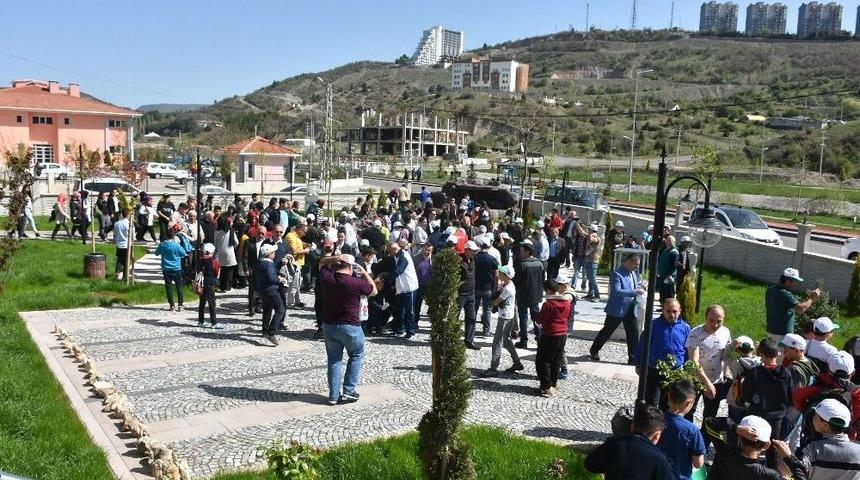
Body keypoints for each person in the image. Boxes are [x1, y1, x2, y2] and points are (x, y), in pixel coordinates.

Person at [319, 254, 377, 406]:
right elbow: (374, 291)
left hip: (329, 324)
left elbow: (321, 263)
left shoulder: (327, 278)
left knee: (334, 360)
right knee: (357, 354)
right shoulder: (355, 282)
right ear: (351, 267)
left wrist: (334, 258)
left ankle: (333, 395)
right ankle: (349, 390)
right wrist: (364, 273)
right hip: (350, 325)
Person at [773, 398, 860, 480]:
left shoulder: (813, 448)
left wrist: (787, 457)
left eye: (815, 415)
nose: (813, 418)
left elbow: (790, 472)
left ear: (825, 425)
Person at [740, 338, 793, 469]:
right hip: (777, 417)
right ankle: (771, 473)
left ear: (761, 354)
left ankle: (751, 470)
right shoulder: (786, 373)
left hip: (757, 415)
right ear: (778, 354)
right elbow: (791, 396)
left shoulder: (755, 373)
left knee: (752, 445)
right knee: (772, 447)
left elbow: (746, 395)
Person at [585, 403, 674, 480]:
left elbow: (590, 464)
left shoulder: (613, 444)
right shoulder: (660, 461)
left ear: (632, 426)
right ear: (657, 435)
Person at [703, 414, 800, 480]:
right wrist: (789, 458)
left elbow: (709, 422)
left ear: (739, 437)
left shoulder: (724, 450)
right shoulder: (768, 474)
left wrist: (735, 428)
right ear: (767, 445)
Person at [635, 298, 691, 407]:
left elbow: (688, 349)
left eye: (674, 311)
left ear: (679, 311)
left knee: (669, 404)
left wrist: (687, 368)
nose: (671, 314)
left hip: (674, 373)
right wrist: (638, 364)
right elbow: (642, 345)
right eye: (668, 311)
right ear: (663, 311)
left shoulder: (685, 328)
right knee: (651, 402)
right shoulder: (653, 325)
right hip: (654, 371)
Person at [590, 253, 645, 364]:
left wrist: (640, 288)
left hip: (630, 308)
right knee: (607, 331)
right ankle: (594, 350)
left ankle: (633, 357)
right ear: (628, 262)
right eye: (635, 264)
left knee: (633, 333)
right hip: (617, 309)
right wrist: (635, 292)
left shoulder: (633, 273)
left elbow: (632, 287)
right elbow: (617, 291)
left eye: (638, 264)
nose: (637, 266)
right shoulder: (616, 274)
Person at [686, 304, 732, 426]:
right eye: (711, 321)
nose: (715, 325)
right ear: (705, 317)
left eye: (719, 321)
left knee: (710, 415)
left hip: (716, 380)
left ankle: (704, 441)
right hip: (696, 380)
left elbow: (726, 354)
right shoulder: (695, 333)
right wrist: (707, 384)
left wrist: (726, 373)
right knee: (688, 411)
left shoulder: (725, 332)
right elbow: (694, 363)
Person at [656, 380, 705, 480]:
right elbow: (698, 464)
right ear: (689, 402)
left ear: (669, 396)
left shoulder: (655, 420)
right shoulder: (692, 430)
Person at [482, 265, 523, 377]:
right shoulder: (506, 284)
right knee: (507, 341)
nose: (498, 273)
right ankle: (517, 362)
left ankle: (493, 368)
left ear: (506, 275)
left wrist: (495, 296)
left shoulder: (508, 289)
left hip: (505, 317)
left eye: (501, 272)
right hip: (508, 316)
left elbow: (496, 302)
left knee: (497, 342)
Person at [533, 278, 571, 398]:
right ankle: (553, 384)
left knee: (543, 361)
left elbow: (540, 321)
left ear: (548, 290)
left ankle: (546, 387)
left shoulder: (549, 304)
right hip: (562, 334)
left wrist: (537, 321)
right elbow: (568, 317)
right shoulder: (567, 302)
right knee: (556, 360)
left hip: (550, 334)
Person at [765, 267, 819, 345]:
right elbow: (801, 309)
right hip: (782, 334)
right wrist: (811, 298)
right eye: (795, 281)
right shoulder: (784, 293)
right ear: (788, 281)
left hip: (771, 329)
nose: (796, 284)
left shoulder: (771, 289)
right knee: (780, 355)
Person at [513, 240, 545, 349]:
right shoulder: (539, 264)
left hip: (523, 295)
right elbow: (542, 279)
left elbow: (517, 281)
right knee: (536, 317)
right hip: (535, 295)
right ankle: (539, 338)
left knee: (523, 318)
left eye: (522, 251)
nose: (520, 253)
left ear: (527, 252)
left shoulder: (522, 265)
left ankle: (524, 340)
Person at [254, 243, 287, 346]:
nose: (275, 253)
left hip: (263, 290)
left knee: (267, 310)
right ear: (269, 254)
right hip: (271, 290)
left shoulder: (260, 262)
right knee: (280, 310)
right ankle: (271, 332)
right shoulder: (268, 264)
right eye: (273, 252)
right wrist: (280, 279)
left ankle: (264, 330)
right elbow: (271, 277)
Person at [387, 241, 419, 339]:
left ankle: (411, 331)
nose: (389, 253)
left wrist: (385, 277)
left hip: (409, 287)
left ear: (394, 249)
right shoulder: (397, 256)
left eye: (390, 251)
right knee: (398, 309)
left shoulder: (403, 256)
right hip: (401, 287)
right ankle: (398, 329)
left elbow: (399, 271)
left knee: (410, 311)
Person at [154, 230, 188, 312]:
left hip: (166, 268)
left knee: (168, 286)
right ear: (173, 236)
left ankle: (172, 305)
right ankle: (180, 305)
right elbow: (184, 253)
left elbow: (156, 253)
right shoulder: (176, 245)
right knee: (179, 286)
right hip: (176, 268)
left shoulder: (162, 245)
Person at [474, 237, 499, 338]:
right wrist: (496, 288)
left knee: (474, 309)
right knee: (487, 310)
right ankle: (486, 331)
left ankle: (471, 329)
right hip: (488, 288)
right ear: (488, 246)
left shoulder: (475, 257)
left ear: (480, 246)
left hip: (476, 287)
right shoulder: (492, 259)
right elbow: (496, 275)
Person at [458, 240, 480, 350]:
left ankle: (469, 340)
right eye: (473, 251)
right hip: (461, 294)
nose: (474, 253)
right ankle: (452, 339)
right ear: (466, 250)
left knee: (471, 317)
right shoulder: (459, 260)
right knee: (455, 317)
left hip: (471, 294)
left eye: (475, 251)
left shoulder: (473, 260)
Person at [242, 226, 268, 316]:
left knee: (262, 288)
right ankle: (251, 308)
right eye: (259, 233)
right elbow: (244, 257)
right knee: (252, 290)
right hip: (252, 268)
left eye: (262, 234)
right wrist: (246, 269)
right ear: (256, 232)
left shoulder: (267, 243)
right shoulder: (248, 242)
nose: (260, 235)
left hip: (263, 269)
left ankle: (259, 306)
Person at [197, 243, 224, 329]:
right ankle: (214, 322)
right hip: (210, 283)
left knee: (202, 303)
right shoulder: (213, 261)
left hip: (201, 283)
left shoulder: (201, 260)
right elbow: (216, 273)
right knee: (212, 303)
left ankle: (200, 321)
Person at [215, 216, 239, 292]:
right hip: (229, 251)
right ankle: (228, 286)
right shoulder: (230, 230)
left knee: (222, 270)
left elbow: (215, 243)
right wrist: (233, 248)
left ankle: (222, 286)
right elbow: (236, 242)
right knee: (229, 271)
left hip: (220, 252)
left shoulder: (216, 232)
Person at [412, 243, 433, 321]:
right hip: (418, 285)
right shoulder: (415, 259)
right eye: (425, 249)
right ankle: (415, 322)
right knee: (417, 304)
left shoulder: (435, 259)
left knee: (433, 304)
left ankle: (433, 320)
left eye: (429, 250)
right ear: (422, 249)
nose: (427, 252)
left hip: (430, 286)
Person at [656, 235, 680, 302]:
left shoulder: (674, 252)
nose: (668, 242)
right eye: (667, 240)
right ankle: (663, 307)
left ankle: (668, 307)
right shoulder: (665, 250)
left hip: (669, 277)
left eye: (670, 240)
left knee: (669, 293)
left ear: (674, 242)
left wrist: (669, 274)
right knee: (662, 293)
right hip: (662, 275)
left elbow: (674, 265)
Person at [583, 223, 602, 301]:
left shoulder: (597, 238)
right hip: (587, 260)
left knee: (593, 279)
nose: (588, 230)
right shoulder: (590, 235)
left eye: (590, 229)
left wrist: (591, 233)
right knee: (589, 278)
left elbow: (591, 239)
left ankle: (597, 296)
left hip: (593, 261)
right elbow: (582, 233)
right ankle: (590, 293)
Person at [113, 208, 131, 280]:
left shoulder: (117, 223)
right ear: (128, 215)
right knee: (127, 260)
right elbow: (132, 234)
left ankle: (117, 273)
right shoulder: (129, 224)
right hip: (127, 244)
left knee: (120, 259)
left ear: (121, 214)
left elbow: (115, 233)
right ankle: (125, 275)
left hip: (119, 244)